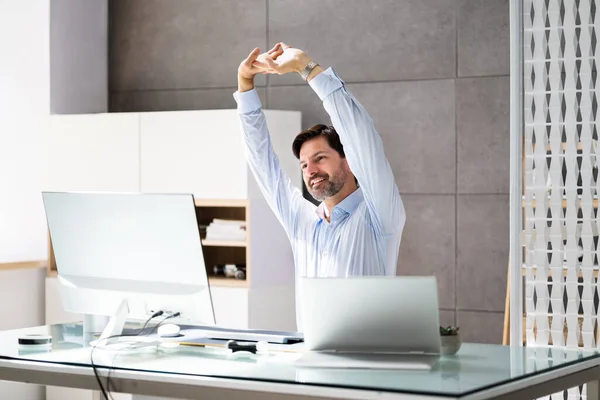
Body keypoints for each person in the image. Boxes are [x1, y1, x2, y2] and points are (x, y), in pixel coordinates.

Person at [234, 43, 405, 281]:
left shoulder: (379, 214)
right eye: (304, 165)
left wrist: (306, 67)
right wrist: (245, 83)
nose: (310, 171)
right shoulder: (301, 221)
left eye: (320, 158)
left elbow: (361, 137)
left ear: (349, 161)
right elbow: (262, 162)